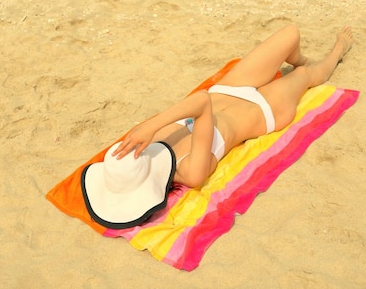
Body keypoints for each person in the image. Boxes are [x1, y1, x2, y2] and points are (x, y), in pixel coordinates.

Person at [82, 25, 353, 229]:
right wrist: (151, 125)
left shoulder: (141, 148)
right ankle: (338, 52)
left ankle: (301, 59)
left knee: (290, 34)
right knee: (305, 76)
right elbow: (201, 104)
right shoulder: (190, 171)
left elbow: (202, 101)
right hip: (263, 111)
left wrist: (147, 131)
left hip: (229, 89)